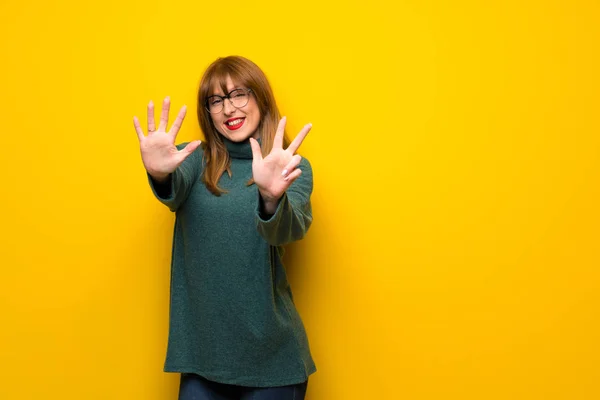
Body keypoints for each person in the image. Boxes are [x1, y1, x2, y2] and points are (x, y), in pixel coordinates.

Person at [132, 56, 316, 400]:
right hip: (203, 360)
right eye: (216, 100)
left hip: (272, 362)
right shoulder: (193, 159)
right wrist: (159, 173)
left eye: (238, 94)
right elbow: (172, 192)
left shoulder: (293, 166)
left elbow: (288, 230)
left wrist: (271, 198)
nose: (228, 108)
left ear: (260, 97)